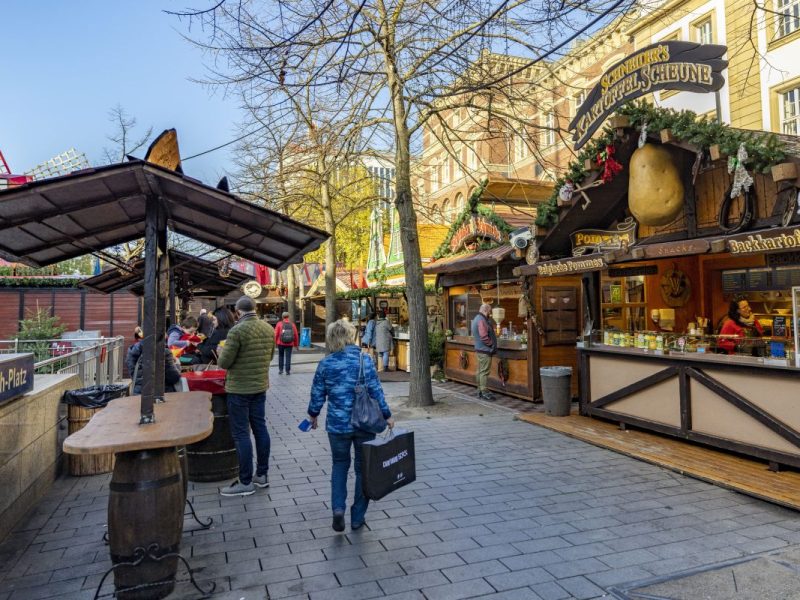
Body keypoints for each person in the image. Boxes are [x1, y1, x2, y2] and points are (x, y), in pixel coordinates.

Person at [307, 319, 394, 532]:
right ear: (350, 336)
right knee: (363, 469)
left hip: (337, 425)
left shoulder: (326, 363)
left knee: (339, 465)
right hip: (364, 424)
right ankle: (357, 517)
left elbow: (317, 393)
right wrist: (387, 415)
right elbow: (376, 391)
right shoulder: (365, 360)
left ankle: (338, 509)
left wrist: (313, 414)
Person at [216, 296, 276, 497]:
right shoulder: (268, 328)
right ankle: (262, 475)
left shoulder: (237, 331)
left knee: (241, 434)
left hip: (240, 389)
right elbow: (270, 357)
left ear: (238, 312)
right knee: (260, 429)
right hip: (259, 386)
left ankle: (245, 481)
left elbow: (224, 363)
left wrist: (221, 350)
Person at [125, 327, 182, 394]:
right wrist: (177, 364)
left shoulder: (132, 351)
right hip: (162, 394)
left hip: (139, 393)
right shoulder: (164, 352)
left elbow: (133, 375)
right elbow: (173, 377)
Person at [471, 303, 497, 401]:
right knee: (484, 372)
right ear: (485, 310)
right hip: (485, 350)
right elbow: (484, 336)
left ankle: (479, 390)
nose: (490, 314)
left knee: (480, 371)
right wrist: (491, 344)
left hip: (480, 349)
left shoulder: (477, 318)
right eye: (489, 311)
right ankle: (484, 391)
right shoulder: (481, 320)